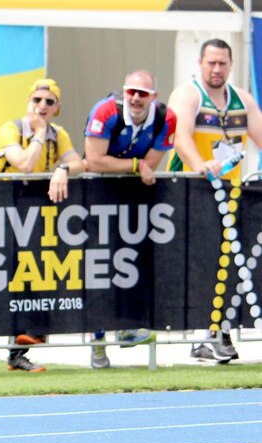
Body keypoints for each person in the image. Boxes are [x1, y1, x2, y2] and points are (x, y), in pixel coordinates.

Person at [167, 38, 262, 364]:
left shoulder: (242, 101)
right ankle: (203, 334)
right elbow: (180, 138)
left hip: (230, 195)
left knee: (229, 265)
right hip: (192, 192)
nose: (217, 69)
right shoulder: (188, 94)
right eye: (211, 63)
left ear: (231, 64)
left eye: (222, 63)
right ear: (200, 63)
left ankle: (216, 331)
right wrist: (201, 166)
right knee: (203, 265)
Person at [0, 78, 85, 372]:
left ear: (57, 108)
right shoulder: (11, 129)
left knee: (36, 273)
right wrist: (40, 135)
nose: (42, 106)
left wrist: (62, 169)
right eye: (37, 100)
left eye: (49, 102)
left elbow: (81, 163)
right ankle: (16, 347)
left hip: (35, 213)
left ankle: (20, 350)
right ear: (29, 102)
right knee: (14, 278)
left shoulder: (60, 134)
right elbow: (24, 164)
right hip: (3, 210)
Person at [83, 69, 177, 368]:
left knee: (133, 262)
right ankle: (98, 339)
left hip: (135, 197)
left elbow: (153, 166)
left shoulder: (166, 118)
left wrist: (135, 167)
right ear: (124, 92)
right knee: (99, 265)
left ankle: (126, 328)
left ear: (154, 97)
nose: (136, 98)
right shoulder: (106, 110)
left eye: (143, 93)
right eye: (131, 92)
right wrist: (135, 163)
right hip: (96, 192)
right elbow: (95, 159)